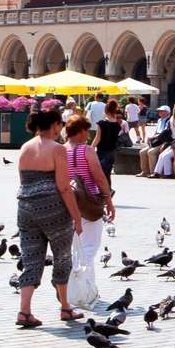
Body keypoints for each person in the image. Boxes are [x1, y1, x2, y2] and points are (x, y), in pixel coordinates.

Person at [14, 108, 81, 328]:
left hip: (25, 208)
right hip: (52, 208)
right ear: (54, 125)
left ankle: (24, 312)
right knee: (61, 257)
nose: (61, 128)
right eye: (60, 124)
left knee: (31, 258)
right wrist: (76, 216)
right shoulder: (57, 149)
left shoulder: (25, 147)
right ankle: (65, 308)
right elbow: (63, 186)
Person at [62, 112, 116, 309]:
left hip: (68, 203)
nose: (89, 134)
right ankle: (86, 290)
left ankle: (69, 290)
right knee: (89, 248)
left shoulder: (61, 150)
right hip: (89, 203)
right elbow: (100, 177)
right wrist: (108, 200)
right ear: (81, 131)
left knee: (73, 248)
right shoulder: (86, 150)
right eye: (87, 130)